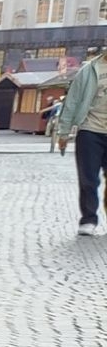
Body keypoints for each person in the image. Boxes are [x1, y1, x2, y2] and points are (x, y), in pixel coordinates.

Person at [56, 46, 107, 237]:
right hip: (90, 130)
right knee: (88, 179)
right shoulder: (89, 70)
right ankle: (88, 219)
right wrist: (63, 132)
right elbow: (73, 100)